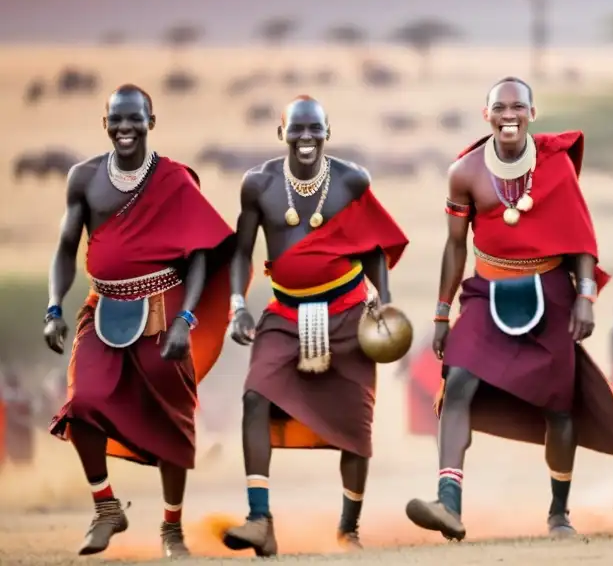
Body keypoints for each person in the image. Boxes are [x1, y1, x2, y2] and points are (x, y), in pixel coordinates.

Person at [404, 77, 613, 542]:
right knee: (457, 384)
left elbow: (582, 241)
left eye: (518, 107)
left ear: (532, 113)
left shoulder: (555, 169)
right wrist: (440, 313)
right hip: (485, 291)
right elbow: (455, 247)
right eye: (500, 107)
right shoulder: (465, 172)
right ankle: (448, 504)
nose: (509, 115)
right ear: (485, 114)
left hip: (550, 291)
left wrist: (586, 298)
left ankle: (558, 514)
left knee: (560, 409)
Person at [45, 84, 236, 557]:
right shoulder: (83, 178)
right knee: (82, 403)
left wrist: (185, 319)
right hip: (102, 307)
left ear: (152, 121)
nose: (125, 127)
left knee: (173, 420)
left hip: (164, 310)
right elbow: (67, 248)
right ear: (104, 123)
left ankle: (172, 529)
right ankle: (107, 507)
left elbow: (199, 257)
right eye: (117, 118)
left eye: (135, 118)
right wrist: (53, 308)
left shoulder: (174, 180)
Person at [222, 96, 409, 556]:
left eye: (315, 129)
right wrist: (237, 305)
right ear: (281, 132)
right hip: (285, 315)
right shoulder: (258, 184)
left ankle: (348, 530)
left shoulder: (351, 180)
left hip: (348, 314)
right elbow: (242, 251)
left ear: (329, 132)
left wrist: (384, 306)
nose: (306, 138)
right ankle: (259, 519)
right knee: (254, 397)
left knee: (357, 424)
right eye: (297, 129)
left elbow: (374, 249)